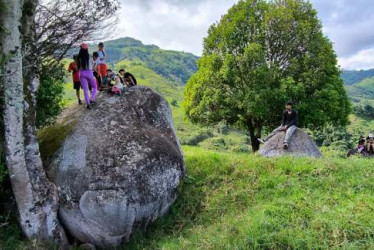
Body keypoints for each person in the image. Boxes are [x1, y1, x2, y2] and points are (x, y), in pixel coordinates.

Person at [77, 43, 97, 109]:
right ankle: (92, 98)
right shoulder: (90, 56)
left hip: (81, 73)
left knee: (85, 89)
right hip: (89, 73)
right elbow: (94, 65)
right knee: (94, 86)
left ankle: (88, 103)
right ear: (87, 49)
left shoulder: (78, 57)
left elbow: (78, 67)